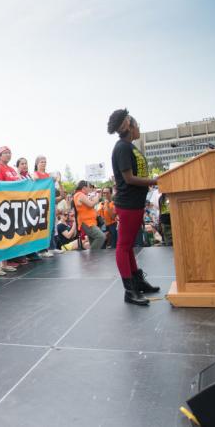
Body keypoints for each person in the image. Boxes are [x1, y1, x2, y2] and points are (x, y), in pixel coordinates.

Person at [108, 108, 160, 306]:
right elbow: (128, 178)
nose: (139, 129)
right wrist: (153, 181)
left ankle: (137, 282)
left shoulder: (130, 146)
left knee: (128, 245)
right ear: (130, 127)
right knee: (123, 246)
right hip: (128, 203)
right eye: (137, 125)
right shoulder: (122, 147)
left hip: (135, 203)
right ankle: (129, 291)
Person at [72, 181, 106, 250]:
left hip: (89, 222)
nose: (90, 189)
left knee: (93, 240)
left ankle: (93, 258)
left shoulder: (80, 195)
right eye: (89, 187)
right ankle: (92, 255)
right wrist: (97, 197)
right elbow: (91, 204)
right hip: (87, 222)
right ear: (84, 188)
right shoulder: (79, 195)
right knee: (101, 236)